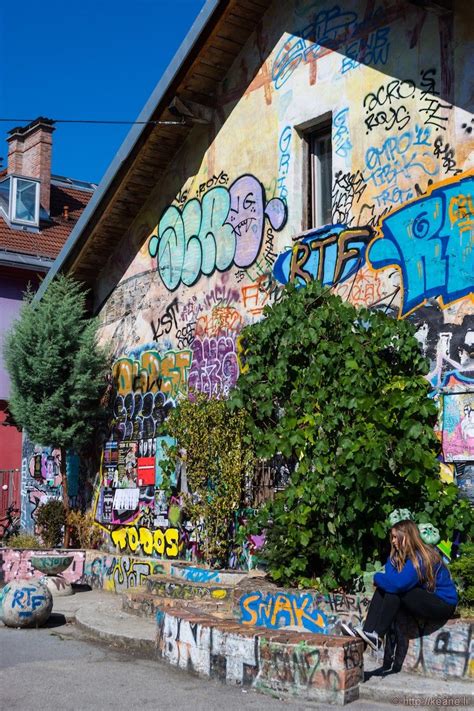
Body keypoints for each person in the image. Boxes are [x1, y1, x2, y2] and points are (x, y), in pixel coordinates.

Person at [341, 519, 458, 651]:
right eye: (392, 537)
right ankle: (367, 633)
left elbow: (397, 584)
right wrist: (392, 560)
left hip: (443, 604)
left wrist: (377, 577)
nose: (393, 541)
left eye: (396, 537)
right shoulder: (401, 557)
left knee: (395, 590)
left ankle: (378, 635)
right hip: (427, 599)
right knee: (384, 589)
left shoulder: (420, 558)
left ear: (406, 537)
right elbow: (392, 580)